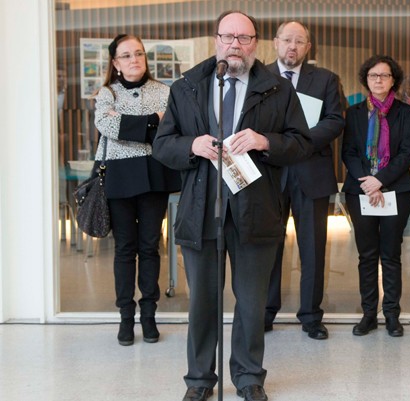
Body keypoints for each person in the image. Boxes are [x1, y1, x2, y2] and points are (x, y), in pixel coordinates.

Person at [152, 10, 311, 401]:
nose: (235, 45)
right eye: (228, 37)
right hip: (202, 210)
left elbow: (301, 143)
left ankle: (248, 376)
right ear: (216, 39)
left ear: (256, 43)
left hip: (256, 211)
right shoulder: (187, 87)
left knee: (252, 303)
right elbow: (162, 145)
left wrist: (264, 141)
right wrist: (192, 145)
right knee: (203, 303)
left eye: (244, 38)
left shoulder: (277, 89)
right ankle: (200, 380)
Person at [93, 34, 181, 346]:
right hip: (119, 177)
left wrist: (131, 124)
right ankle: (126, 318)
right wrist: (150, 122)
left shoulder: (164, 92)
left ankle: (149, 315)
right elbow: (106, 125)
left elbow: (169, 127)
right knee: (124, 249)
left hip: (154, 176)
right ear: (115, 63)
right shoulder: (106, 93)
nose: (135, 60)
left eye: (139, 54)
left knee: (149, 246)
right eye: (127, 56)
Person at [264, 20, 345, 340]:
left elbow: (335, 121)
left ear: (308, 48)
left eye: (299, 41)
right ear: (275, 42)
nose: (292, 47)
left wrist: (299, 142)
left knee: (313, 249)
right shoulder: (259, 76)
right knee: (268, 247)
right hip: (269, 174)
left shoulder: (325, 79)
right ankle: (266, 311)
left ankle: (311, 315)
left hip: (312, 173)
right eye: (287, 40)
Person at [342, 55, 410, 337]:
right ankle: (369, 314)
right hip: (360, 191)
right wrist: (367, 182)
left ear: (393, 80)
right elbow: (347, 151)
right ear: (366, 79)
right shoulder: (355, 112)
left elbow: (407, 153)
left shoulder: (405, 113)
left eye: (384, 76)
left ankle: (392, 316)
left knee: (391, 254)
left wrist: (380, 180)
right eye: (374, 76)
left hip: (395, 191)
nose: (379, 80)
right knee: (367, 255)